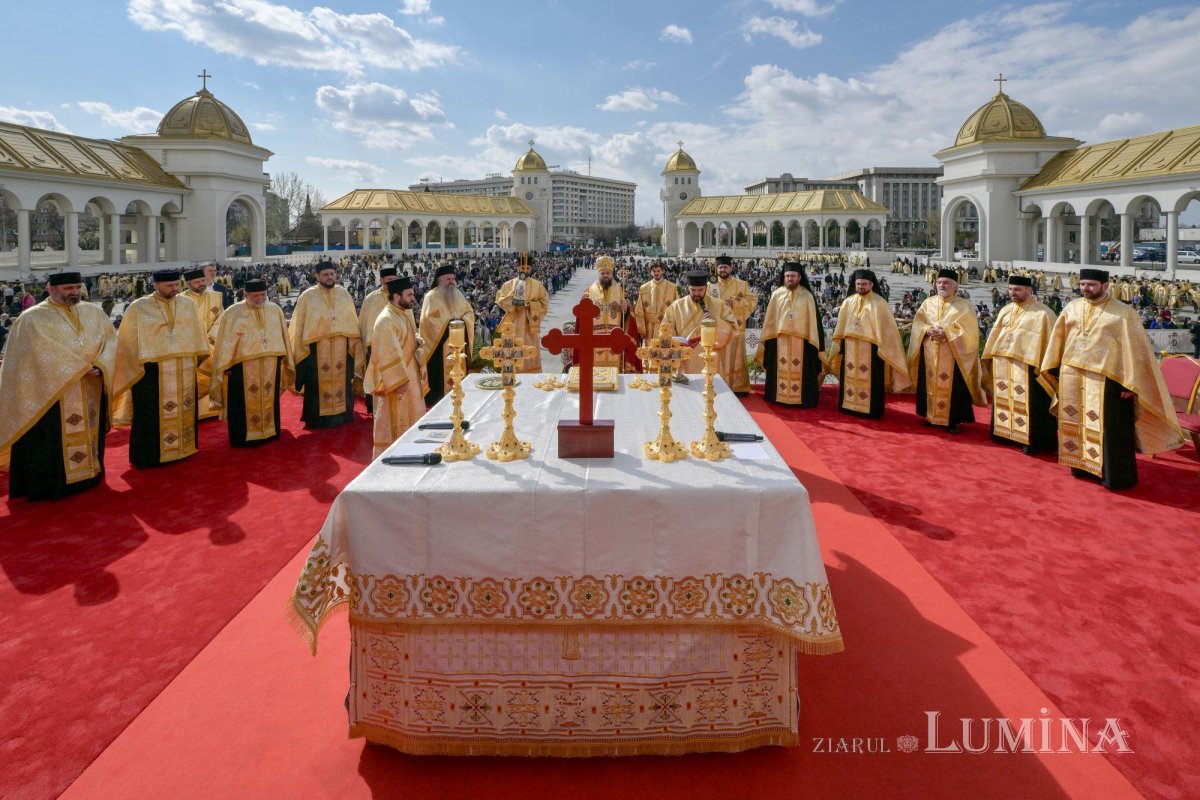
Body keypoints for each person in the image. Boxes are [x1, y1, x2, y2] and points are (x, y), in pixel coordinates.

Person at [1039, 268, 1183, 490]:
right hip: (1073, 376)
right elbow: (1059, 339)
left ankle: (1114, 475)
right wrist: (1055, 367)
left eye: (1091, 285)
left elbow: (1136, 351)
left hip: (1110, 380)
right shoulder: (1072, 307)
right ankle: (1082, 466)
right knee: (1076, 422)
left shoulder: (1124, 313)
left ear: (1105, 286)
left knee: (1111, 429)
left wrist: (1130, 383)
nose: (1085, 289)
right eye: (1083, 284)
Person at [0, 272, 118, 500]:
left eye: (76, 287)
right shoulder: (31, 319)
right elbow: (32, 357)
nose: (74, 292)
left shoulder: (93, 312)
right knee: (52, 440)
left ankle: (88, 476)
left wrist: (101, 365)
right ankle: (53, 485)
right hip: (51, 395)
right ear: (51, 289)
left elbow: (110, 342)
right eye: (68, 289)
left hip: (90, 388)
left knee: (89, 431)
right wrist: (79, 368)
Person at [112, 269, 209, 468]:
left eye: (176, 285)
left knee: (185, 408)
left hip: (184, 368)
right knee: (150, 414)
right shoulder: (139, 307)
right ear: (156, 286)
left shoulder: (187, 304)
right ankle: (149, 455)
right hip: (151, 373)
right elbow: (127, 342)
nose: (175, 289)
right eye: (169, 286)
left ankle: (183, 448)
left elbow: (197, 333)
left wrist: (198, 356)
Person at [208, 278, 294, 447]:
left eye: (263, 294)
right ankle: (243, 436)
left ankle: (270, 431)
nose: (260, 298)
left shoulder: (275, 310)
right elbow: (224, 343)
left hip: (271, 363)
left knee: (269, 398)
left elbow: (282, 335)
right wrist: (226, 366)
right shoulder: (233, 313)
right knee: (241, 403)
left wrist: (284, 359)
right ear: (245, 294)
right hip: (241, 367)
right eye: (255, 296)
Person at [981, 275, 1058, 454]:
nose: (1013, 293)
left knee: (1031, 405)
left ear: (1029, 290)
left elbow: (1050, 345)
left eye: (1017, 289)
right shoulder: (1006, 310)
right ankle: (1005, 434)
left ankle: (1031, 441)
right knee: (1004, 400)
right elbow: (996, 336)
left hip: (1029, 369)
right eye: (1010, 289)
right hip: (1004, 364)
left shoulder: (1043, 313)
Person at [907, 268, 986, 433]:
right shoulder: (928, 303)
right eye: (939, 282)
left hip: (953, 355)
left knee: (954, 387)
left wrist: (947, 333)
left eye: (946, 283)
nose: (942, 285)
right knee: (928, 384)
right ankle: (930, 416)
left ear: (955, 287)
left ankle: (953, 420)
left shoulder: (964, 306)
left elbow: (970, 332)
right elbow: (918, 323)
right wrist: (927, 330)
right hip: (930, 352)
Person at [825, 269, 910, 418]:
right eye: (858, 284)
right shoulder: (848, 302)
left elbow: (887, 331)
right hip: (850, 348)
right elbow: (841, 327)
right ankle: (849, 406)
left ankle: (871, 410)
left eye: (864, 284)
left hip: (872, 351)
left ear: (871, 285)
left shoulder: (879, 303)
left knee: (872, 381)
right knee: (849, 378)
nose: (861, 287)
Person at [289, 259, 363, 429]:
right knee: (316, 383)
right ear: (317, 276)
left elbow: (352, 321)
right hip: (316, 351)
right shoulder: (307, 296)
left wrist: (353, 345)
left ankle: (343, 415)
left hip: (342, 349)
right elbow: (299, 325)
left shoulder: (344, 294)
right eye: (325, 275)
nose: (330, 277)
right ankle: (317, 419)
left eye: (332, 274)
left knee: (343, 381)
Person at [365, 276, 428, 458]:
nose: (413, 299)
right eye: (409, 295)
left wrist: (416, 341)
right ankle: (395, 457)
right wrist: (399, 381)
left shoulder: (401, 313)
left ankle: (414, 453)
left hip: (411, 378)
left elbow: (405, 338)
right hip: (398, 385)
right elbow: (387, 354)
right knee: (396, 423)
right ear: (395, 296)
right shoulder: (386, 320)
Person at [755, 263, 824, 407]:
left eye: (793, 276)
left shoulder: (807, 295)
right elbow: (770, 321)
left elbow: (813, 322)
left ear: (799, 277)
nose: (789, 278)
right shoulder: (777, 294)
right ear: (783, 277)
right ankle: (777, 396)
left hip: (803, 342)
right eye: (787, 276)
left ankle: (802, 399)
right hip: (779, 341)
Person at [419, 262, 475, 405]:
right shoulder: (431, 296)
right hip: (439, 347)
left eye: (452, 278)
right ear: (439, 280)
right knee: (440, 381)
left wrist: (461, 320)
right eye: (448, 279)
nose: (451, 282)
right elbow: (427, 320)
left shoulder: (458, 294)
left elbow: (469, 312)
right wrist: (449, 323)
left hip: (459, 341)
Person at [662, 270, 737, 374]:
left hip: (710, 359)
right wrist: (678, 344)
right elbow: (665, 330)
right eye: (693, 290)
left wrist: (716, 321)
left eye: (700, 290)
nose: (696, 293)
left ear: (706, 287)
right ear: (688, 288)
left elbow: (733, 330)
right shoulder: (676, 306)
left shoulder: (720, 305)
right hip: (683, 358)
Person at [181, 267, 224, 420]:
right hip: (190, 347)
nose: (201, 284)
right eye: (196, 281)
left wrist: (211, 337)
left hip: (212, 343)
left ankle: (212, 409)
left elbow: (221, 319)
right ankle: (196, 412)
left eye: (202, 280)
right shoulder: (180, 301)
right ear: (187, 284)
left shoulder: (216, 297)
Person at [494, 255, 548, 372]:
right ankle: (512, 373)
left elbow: (544, 303)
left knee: (530, 348)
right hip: (514, 322)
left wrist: (531, 306)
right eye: (522, 267)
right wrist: (512, 300)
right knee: (512, 346)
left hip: (530, 323)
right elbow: (500, 298)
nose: (525, 270)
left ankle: (531, 372)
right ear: (518, 268)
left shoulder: (537, 285)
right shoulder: (509, 284)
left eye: (528, 268)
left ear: (531, 269)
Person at [357, 265, 399, 413]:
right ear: (381, 280)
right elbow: (363, 322)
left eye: (394, 279)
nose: (391, 282)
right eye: (388, 280)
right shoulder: (371, 298)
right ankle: (372, 404)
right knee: (374, 374)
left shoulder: (401, 296)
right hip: (374, 344)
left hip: (397, 343)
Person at [715, 255, 755, 394]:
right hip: (717, 328)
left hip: (735, 327)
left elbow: (752, 301)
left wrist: (736, 303)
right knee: (717, 356)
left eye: (725, 267)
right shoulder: (710, 285)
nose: (723, 270)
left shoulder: (741, 284)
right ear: (717, 269)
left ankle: (738, 387)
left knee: (736, 355)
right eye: (720, 267)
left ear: (731, 268)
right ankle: (717, 384)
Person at [584, 256, 630, 370]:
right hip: (595, 338)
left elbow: (628, 316)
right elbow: (582, 315)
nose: (605, 275)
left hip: (615, 337)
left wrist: (627, 307)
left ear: (612, 274)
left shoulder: (621, 290)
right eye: (603, 273)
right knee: (596, 368)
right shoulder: (589, 291)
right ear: (598, 274)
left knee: (614, 368)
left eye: (608, 273)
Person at [633, 260, 678, 344]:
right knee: (649, 353)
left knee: (665, 353)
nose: (656, 273)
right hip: (649, 327)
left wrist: (675, 328)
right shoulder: (644, 288)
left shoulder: (672, 287)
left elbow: (677, 308)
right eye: (654, 271)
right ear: (650, 272)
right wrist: (641, 328)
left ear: (663, 271)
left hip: (666, 327)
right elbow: (639, 310)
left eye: (658, 271)